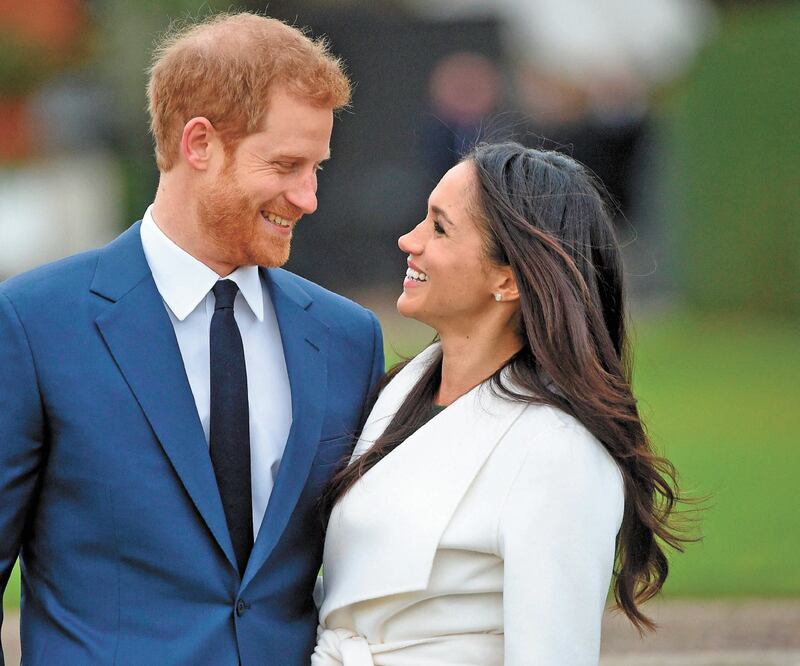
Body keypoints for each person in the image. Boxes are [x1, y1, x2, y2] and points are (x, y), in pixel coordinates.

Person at [0, 13, 384, 665]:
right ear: (199, 144)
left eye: (316, 167)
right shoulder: (34, 322)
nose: (309, 196)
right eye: (287, 165)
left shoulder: (348, 338)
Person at [313, 142, 686, 665]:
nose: (408, 240)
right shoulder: (397, 393)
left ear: (507, 279)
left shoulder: (558, 454)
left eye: (439, 228)